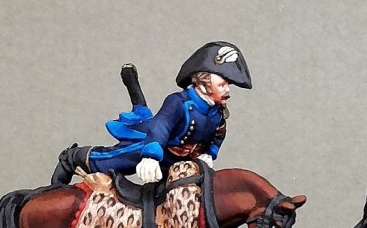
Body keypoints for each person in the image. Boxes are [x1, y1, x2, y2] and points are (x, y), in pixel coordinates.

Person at [51, 41, 252, 186]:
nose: (228, 90)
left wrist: (210, 153)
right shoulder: (179, 103)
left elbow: (219, 134)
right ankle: (72, 158)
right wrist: (150, 157)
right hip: (154, 146)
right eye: (222, 85)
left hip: (182, 162)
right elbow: (160, 127)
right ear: (203, 82)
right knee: (113, 161)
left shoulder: (217, 112)